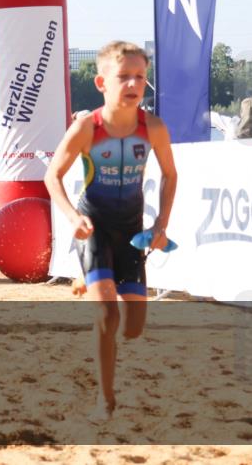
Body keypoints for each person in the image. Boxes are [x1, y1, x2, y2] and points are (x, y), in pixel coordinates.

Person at [44, 40, 178, 421]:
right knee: (107, 317)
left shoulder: (153, 128)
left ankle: (88, 282)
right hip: (95, 229)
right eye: (123, 77)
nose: (133, 84)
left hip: (132, 234)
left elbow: (170, 175)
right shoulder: (87, 128)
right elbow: (53, 176)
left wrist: (162, 224)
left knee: (132, 328)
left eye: (140, 77)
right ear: (102, 83)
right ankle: (105, 400)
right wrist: (73, 218)